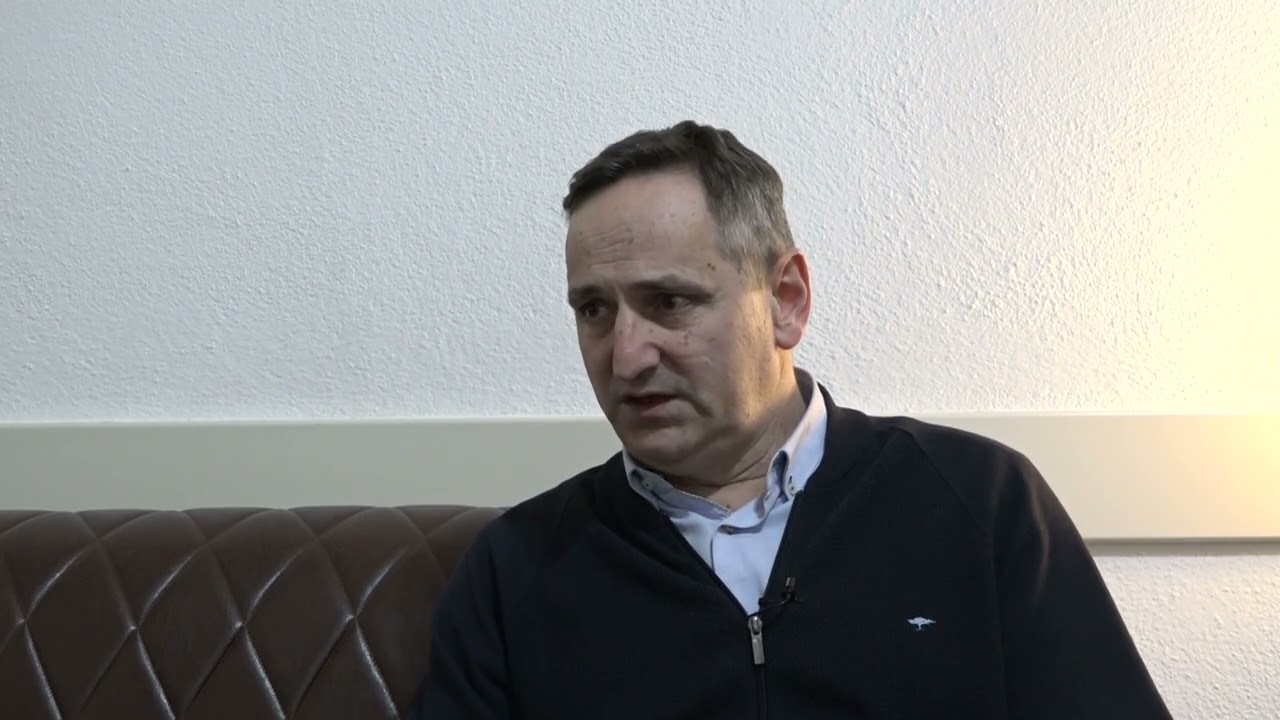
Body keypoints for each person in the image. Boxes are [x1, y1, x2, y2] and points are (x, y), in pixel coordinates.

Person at [407, 121, 1172, 719]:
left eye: (670, 301)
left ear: (786, 301)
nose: (627, 356)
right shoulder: (519, 567)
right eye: (594, 311)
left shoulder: (977, 499)